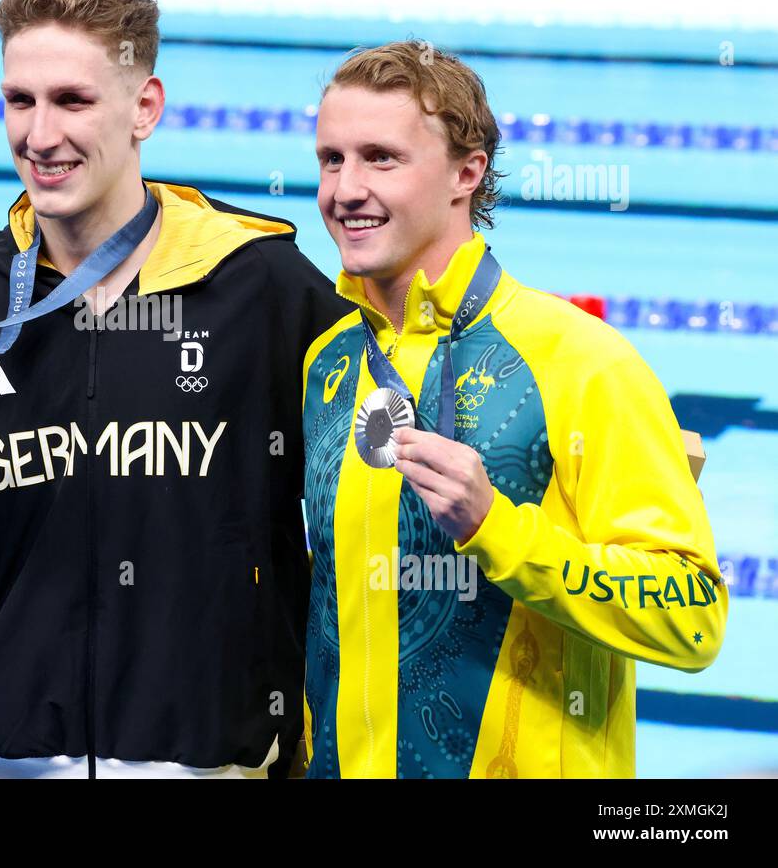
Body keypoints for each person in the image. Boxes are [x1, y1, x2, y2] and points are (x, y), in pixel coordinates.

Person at [0, 0, 350, 778]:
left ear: (146, 107)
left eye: (72, 101)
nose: (40, 136)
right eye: (19, 101)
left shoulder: (263, 289)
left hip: (207, 764)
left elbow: (365, 515)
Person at [301, 40, 727, 778]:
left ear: (468, 173)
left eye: (381, 158)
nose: (346, 189)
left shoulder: (582, 361)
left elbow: (692, 615)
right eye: (331, 159)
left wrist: (498, 529)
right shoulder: (330, 365)